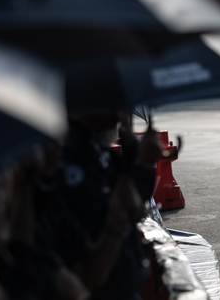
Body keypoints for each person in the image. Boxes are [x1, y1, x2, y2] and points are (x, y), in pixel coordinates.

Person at [62, 110, 163, 300]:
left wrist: (132, 147)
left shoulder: (97, 149)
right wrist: (143, 164)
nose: (121, 111)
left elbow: (136, 195)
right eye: (114, 99)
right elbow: (125, 204)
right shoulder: (73, 158)